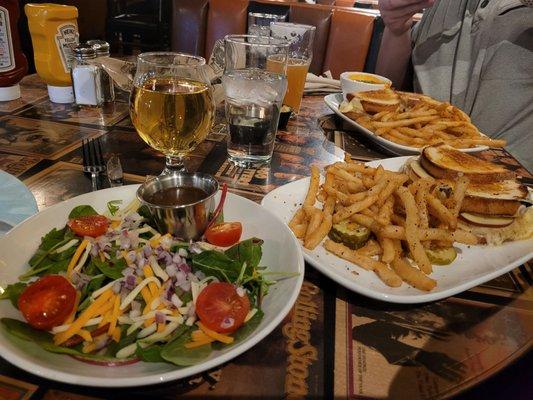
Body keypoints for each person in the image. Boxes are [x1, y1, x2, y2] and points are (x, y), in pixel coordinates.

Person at [376, 0, 533, 173]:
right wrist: (396, 29)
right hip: (412, 167)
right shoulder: (436, 5)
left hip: (507, 181)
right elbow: (390, 87)